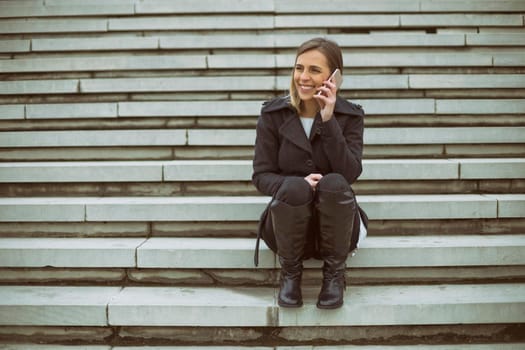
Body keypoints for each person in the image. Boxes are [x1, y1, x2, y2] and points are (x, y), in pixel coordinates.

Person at [252, 37, 367, 309]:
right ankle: (290, 275)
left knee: (336, 183)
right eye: (299, 68)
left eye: (315, 70)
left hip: (337, 226)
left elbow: (350, 173)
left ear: (333, 77)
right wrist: (298, 182)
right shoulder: (274, 114)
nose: (303, 77)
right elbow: (261, 175)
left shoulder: (350, 116)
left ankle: (334, 277)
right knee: (293, 187)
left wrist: (329, 120)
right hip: (288, 226)